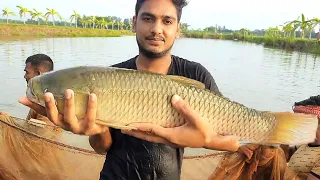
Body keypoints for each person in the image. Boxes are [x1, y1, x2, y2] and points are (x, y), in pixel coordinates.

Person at [18, 0, 240, 179]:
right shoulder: (109, 76)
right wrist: (99, 130)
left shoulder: (196, 75)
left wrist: (201, 139)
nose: (156, 29)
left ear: (178, 29)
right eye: (148, 18)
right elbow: (102, 148)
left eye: (167, 21)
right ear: (134, 22)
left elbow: (232, 141)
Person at [1, 54, 54, 123]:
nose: (24, 76)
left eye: (27, 72)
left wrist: (7, 121)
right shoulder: (39, 96)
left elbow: (40, 133)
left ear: (38, 74)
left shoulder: (47, 101)